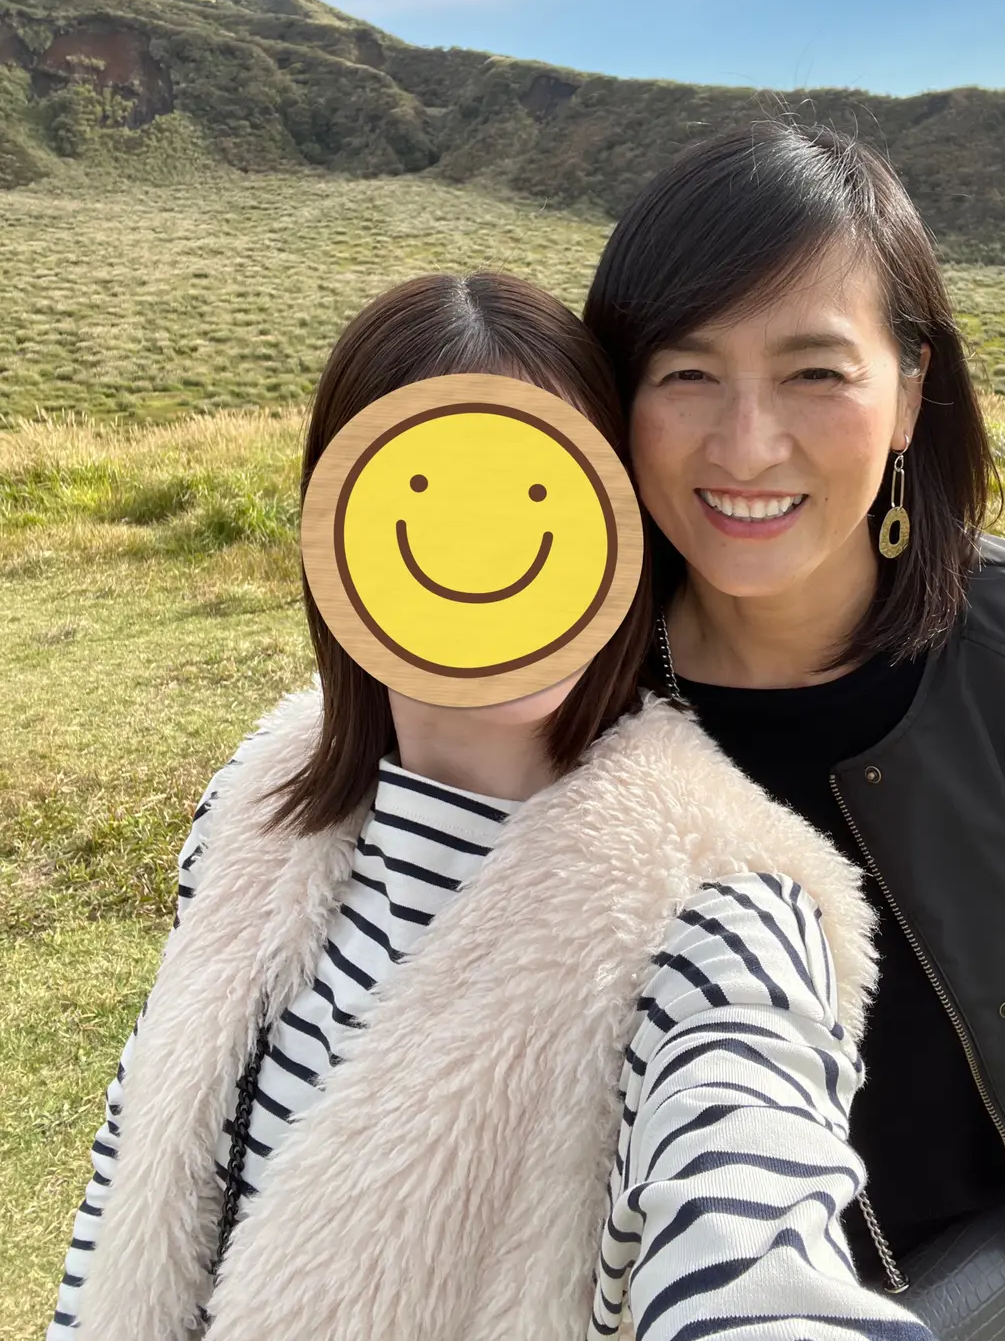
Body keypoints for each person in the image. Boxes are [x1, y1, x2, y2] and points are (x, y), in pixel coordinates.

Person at [49, 271, 936, 1341]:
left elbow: (755, 1241)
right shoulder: (255, 809)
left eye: (538, 489)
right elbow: (131, 1167)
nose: (488, 545)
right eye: (430, 488)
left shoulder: (716, 922)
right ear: (336, 532)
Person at [583, 122, 1005, 1341]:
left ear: (911, 390)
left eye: (815, 373)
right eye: (686, 372)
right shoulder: (572, 714)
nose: (746, 444)